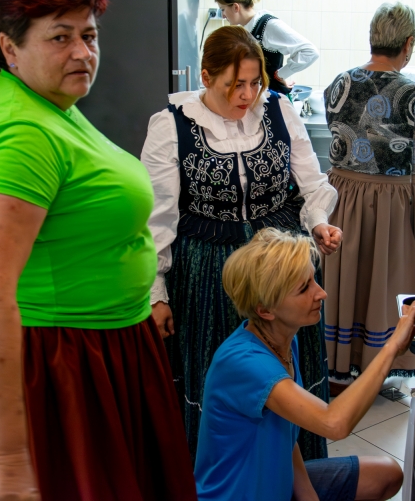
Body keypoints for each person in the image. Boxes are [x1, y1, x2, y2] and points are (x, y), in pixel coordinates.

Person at [0, 0, 196, 501]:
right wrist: (8, 462)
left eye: (90, 35)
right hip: (59, 363)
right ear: (10, 48)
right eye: (60, 37)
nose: (83, 52)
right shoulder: (22, 135)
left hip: (102, 348)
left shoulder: (51, 104)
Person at [141, 25, 341, 462]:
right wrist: (156, 293)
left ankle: (298, 478)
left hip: (283, 268)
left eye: (254, 82)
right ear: (206, 77)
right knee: (221, 376)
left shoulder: (279, 110)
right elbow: (156, 219)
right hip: (209, 274)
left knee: (286, 373)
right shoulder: (171, 126)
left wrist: (319, 224)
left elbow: (311, 183)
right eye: (235, 84)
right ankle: (222, 480)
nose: (247, 94)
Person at [196, 228, 415, 501]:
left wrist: (310, 497)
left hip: (275, 483)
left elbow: (284, 433)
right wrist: (391, 348)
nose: (321, 293)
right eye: (304, 288)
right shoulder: (244, 363)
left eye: (313, 280)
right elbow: (335, 424)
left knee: (386, 474)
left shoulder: (281, 341)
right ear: (266, 310)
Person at [322, 2, 415, 388]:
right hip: (393, 202)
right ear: (408, 43)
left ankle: (340, 365)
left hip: (343, 197)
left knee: (347, 281)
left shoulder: (339, 83)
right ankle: (380, 364)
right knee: (385, 282)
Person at [214, 0, 318, 98]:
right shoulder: (246, 30)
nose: (223, 15)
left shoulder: (268, 25)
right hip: (258, 98)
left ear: (235, 7)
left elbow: (310, 51)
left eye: (222, 9)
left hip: (273, 100)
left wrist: (281, 74)